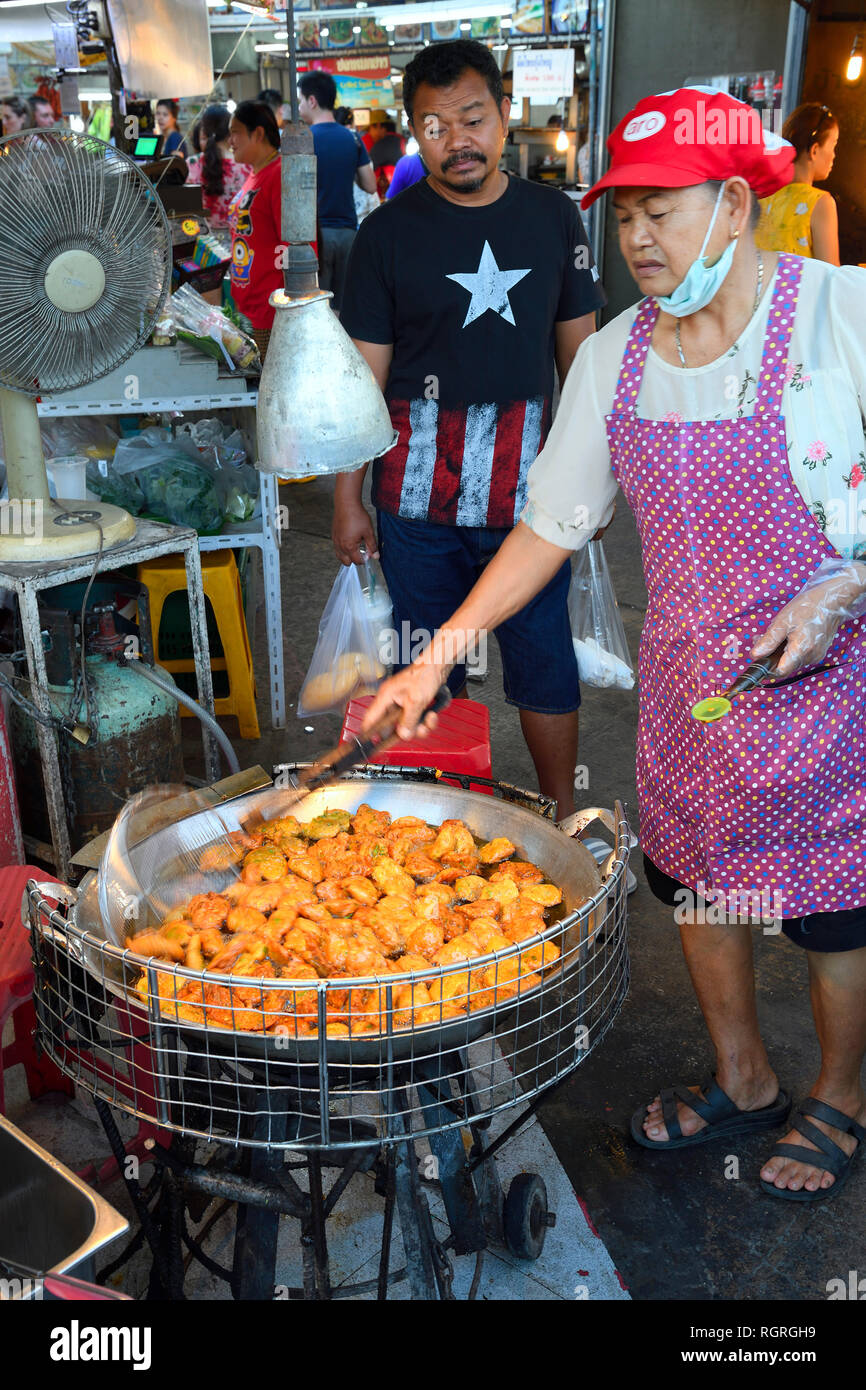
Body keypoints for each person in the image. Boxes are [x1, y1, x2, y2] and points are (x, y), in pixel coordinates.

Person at [364, 86, 866, 1204]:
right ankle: (741, 1078)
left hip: (838, 687)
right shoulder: (614, 362)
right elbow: (549, 523)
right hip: (694, 689)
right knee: (696, 885)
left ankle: (841, 1090)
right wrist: (437, 653)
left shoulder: (841, 315)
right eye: (621, 215)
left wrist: (846, 582)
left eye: (660, 210)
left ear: (732, 204)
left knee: (837, 907)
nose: (635, 238)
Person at [336, 39, 605, 821]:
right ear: (413, 133)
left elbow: (582, 364)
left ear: (503, 113)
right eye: (433, 125)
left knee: (544, 663)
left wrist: (592, 480)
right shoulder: (386, 235)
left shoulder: (556, 218)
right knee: (428, 667)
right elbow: (364, 381)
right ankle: (446, 821)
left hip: (532, 498)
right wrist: (347, 499)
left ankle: (567, 817)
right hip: (414, 500)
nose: (457, 140)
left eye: (472, 118)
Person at [297, 69, 376, 312]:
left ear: (312, 101)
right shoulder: (352, 139)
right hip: (348, 235)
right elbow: (370, 185)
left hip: (315, 237)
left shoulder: (302, 139)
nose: (299, 107)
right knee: (343, 309)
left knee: (316, 308)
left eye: (300, 101)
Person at [227, 101, 283, 360]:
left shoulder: (280, 174)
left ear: (258, 133)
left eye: (235, 132)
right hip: (249, 306)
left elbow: (296, 245)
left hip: (272, 312)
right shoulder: (254, 174)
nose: (230, 141)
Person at [756, 102, 839, 264]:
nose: (834, 155)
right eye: (833, 145)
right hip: (799, 289)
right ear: (814, 150)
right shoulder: (820, 203)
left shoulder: (761, 194)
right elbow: (831, 276)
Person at [187, 104, 248, 229]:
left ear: (204, 130)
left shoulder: (192, 164)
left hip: (203, 240)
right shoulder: (244, 165)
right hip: (238, 239)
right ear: (230, 131)